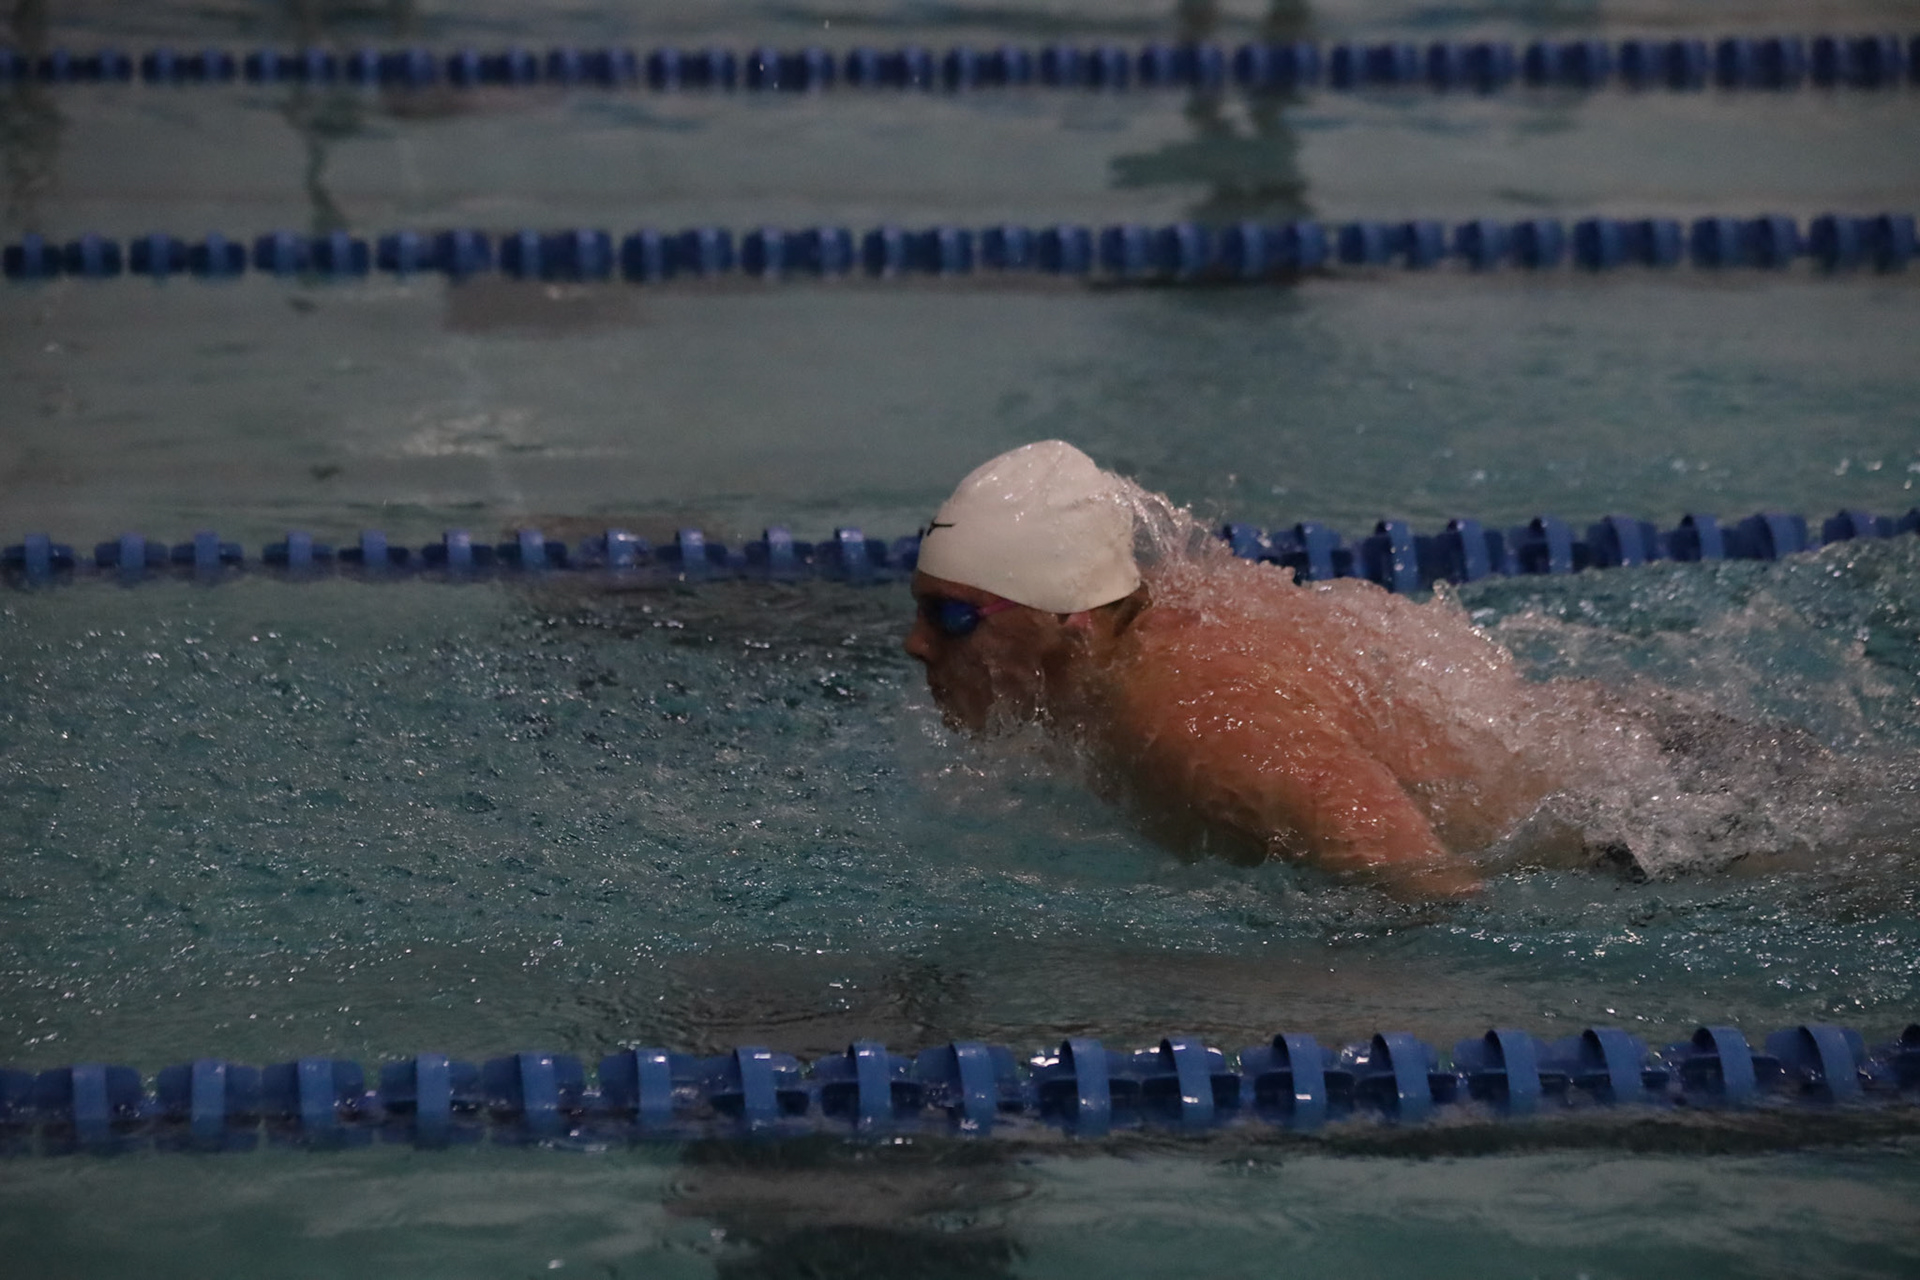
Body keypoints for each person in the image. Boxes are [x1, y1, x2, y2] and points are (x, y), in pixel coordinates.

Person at [903, 440, 1584, 900]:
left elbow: (1434, 890)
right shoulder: (1126, 634)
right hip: (1563, 732)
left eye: (953, 617)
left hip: (1595, 836)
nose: (916, 643)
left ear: (1069, 620)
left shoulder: (1194, 724)